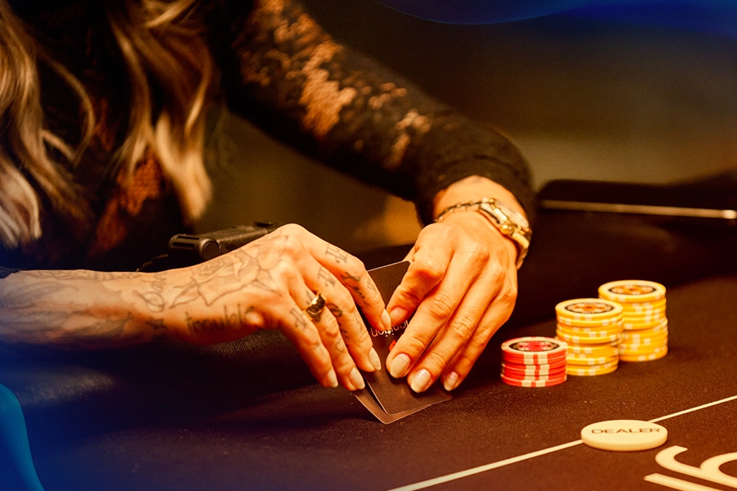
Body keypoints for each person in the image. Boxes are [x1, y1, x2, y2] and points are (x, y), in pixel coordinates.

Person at [0, 0, 535, 394]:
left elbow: (441, 142)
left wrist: (483, 219)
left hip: (149, 410)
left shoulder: (179, 8)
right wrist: (165, 296)